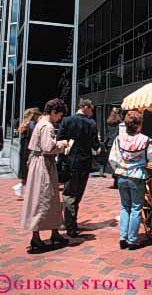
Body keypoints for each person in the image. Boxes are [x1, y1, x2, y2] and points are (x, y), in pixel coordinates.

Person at [109, 111, 152, 250]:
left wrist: (120, 168)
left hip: (122, 176)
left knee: (125, 207)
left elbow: (112, 158)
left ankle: (123, 237)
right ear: (139, 125)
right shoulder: (145, 140)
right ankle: (133, 240)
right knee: (136, 209)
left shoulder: (119, 139)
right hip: (137, 176)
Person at [21, 98, 69, 251]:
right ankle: (37, 237)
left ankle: (53, 232)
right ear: (54, 112)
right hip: (44, 165)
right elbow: (49, 147)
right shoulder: (47, 126)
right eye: (60, 115)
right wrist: (63, 144)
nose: (60, 118)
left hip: (39, 162)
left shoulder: (40, 123)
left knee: (48, 199)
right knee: (44, 198)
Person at [57, 98, 100, 237]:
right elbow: (95, 145)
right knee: (77, 194)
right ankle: (71, 224)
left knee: (69, 193)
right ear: (85, 107)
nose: (92, 112)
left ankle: (70, 223)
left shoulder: (66, 121)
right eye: (91, 109)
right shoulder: (91, 124)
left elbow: (59, 140)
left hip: (69, 163)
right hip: (84, 164)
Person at [12, 107, 41, 197]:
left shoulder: (25, 124)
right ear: (34, 115)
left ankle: (21, 187)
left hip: (24, 151)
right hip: (28, 151)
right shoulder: (32, 125)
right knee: (30, 173)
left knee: (27, 173)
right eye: (38, 115)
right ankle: (25, 190)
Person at [105, 107, 123, 187]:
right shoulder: (120, 123)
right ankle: (117, 180)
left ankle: (115, 180)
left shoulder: (109, 123)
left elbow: (107, 134)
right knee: (118, 161)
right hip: (117, 144)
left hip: (109, 143)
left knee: (112, 161)